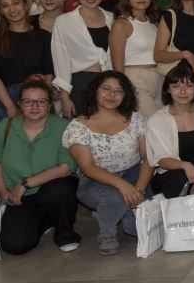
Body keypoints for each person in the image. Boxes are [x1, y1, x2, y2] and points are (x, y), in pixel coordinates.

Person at [0, 78, 80, 255]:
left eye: (41, 101)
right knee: (14, 245)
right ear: (20, 104)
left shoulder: (63, 127)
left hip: (50, 188)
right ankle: (45, 220)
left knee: (60, 190)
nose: (34, 106)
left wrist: (25, 184)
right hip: (18, 196)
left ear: (50, 105)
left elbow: (65, 168)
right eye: (28, 101)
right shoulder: (5, 126)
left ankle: (65, 234)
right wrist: (4, 192)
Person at [63, 70, 150, 255]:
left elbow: (147, 158)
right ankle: (107, 232)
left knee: (135, 226)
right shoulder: (78, 126)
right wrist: (122, 186)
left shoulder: (136, 119)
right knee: (115, 196)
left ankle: (119, 212)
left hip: (134, 175)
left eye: (119, 91)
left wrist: (140, 189)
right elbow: (87, 167)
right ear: (95, 90)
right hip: (94, 180)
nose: (112, 95)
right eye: (106, 89)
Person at [0, 0, 54, 122]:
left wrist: (43, 100)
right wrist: (10, 106)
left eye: (16, 3)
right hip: (7, 99)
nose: (12, 9)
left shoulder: (43, 36)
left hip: (39, 98)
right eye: (5, 6)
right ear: (0, 11)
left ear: (25, 5)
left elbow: (49, 74)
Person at [144, 60, 194, 198]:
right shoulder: (156, 120)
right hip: (170, 176)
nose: (183, 91)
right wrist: (185, 165)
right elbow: (161, 159)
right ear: (168, 89)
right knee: (179, 179)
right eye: (176, 86)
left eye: (189, 86)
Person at [51, 0, 114, 112]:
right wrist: (64, 96)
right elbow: (60, 59)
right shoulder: (64, 21)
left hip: (110, 82)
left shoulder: (113, 18)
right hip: (81, 84)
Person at [109, 0, 163, 118]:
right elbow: (117, 65)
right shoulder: (122, 24)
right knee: (153, 122)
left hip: (159, 77)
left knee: (163, 123)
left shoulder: (153, 22)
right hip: (136, 80)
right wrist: (123, 89)